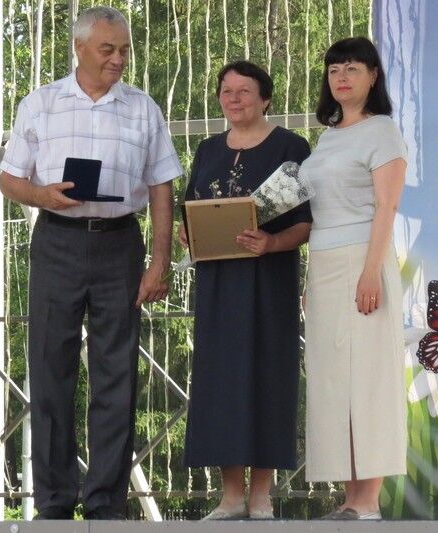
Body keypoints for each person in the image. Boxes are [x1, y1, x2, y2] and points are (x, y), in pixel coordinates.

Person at [0, 6, 183, 520]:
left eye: (124, 50)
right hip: (56, 242)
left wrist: (160, 260)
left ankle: (105, 505)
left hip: (121, 245)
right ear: (79, 48)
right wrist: (42, 195)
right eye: (108, 49)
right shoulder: (40, 104)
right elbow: (8, 179)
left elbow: (162, 186)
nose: (118, 59)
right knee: (49, 372)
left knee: (117, 376)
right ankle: (53, 505)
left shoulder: (143, 108)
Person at [178, 60, 312, 520]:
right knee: (220, 381)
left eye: (244, 91)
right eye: (226, 91)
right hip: (217, 283)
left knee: (267, 377)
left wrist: (271, 243)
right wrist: (187, 231)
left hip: (268, 281)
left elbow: (307, 221)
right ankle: (231, 496)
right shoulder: (207, 149)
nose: (234, 99)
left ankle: (261, 496)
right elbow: (192, 207)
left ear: (265, 98)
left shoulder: (291, 146)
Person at [299, 37, 407, 520]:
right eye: (334, 70)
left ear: (373, 76)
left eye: (352, 68)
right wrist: (310, 278)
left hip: (365, 259)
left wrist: (370, 272)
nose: (341, 78)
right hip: (323, 264)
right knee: (331, 381)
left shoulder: (382, 131)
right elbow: (319, 214)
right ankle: (348, 498)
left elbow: (387, 205)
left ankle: (368, 503)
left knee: (368, 378)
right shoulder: (327, 137)